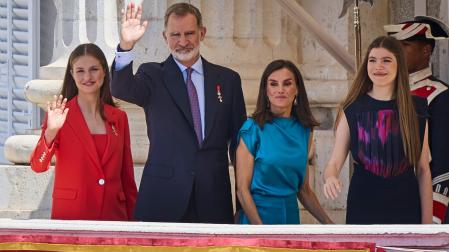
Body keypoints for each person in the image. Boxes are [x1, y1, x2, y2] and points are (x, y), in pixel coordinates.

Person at [111, 2, 246, 223]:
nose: (183, 42)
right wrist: (126, 46)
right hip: (163, 198)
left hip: (213, 199)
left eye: (189, 33)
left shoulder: (228, 81)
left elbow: (240, 148)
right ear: (165, 37)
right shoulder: (153, 76)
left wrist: (242, 202)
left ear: (202, 33)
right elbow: (120, 88)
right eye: (175, 35)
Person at [323, 36, 433, 224]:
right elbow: (334, 162)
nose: (378, 66)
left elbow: (423, 169)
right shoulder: (351, 109)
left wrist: (427, 225)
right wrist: (330, 177)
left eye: (386, 60)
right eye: (372, 60)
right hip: (363, 204)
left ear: (399, 65)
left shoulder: (417, 109)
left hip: (406, 205)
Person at [30, 43, 137, 221]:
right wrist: (51, 131)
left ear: (104, 71)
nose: (87, 76)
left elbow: (127, 177)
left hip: (114, 217)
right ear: (72, 74)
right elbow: (38, 166)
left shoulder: (119, 118)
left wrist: (135, 225)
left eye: (94, 69)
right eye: (80, 70)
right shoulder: (60, 115)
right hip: (72, 217)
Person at [235, 60, 333, 224]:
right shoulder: (252, 129)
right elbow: (242, 191)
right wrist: (262, 232)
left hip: (291, 220)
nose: (280, 90)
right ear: (266, 90)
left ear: (297, 89)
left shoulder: (305, 129)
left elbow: (303, 189)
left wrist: (331, 226)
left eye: (287, 84)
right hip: (257, 220)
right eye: (273, 84)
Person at [384, 16, 449, 224]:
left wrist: (433, 217)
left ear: (426, 51)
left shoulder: (439, 95)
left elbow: (442, 164)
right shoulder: (384, 93)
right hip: (386, 196)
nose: (397, 52)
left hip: (421, 202)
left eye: (405, 45)